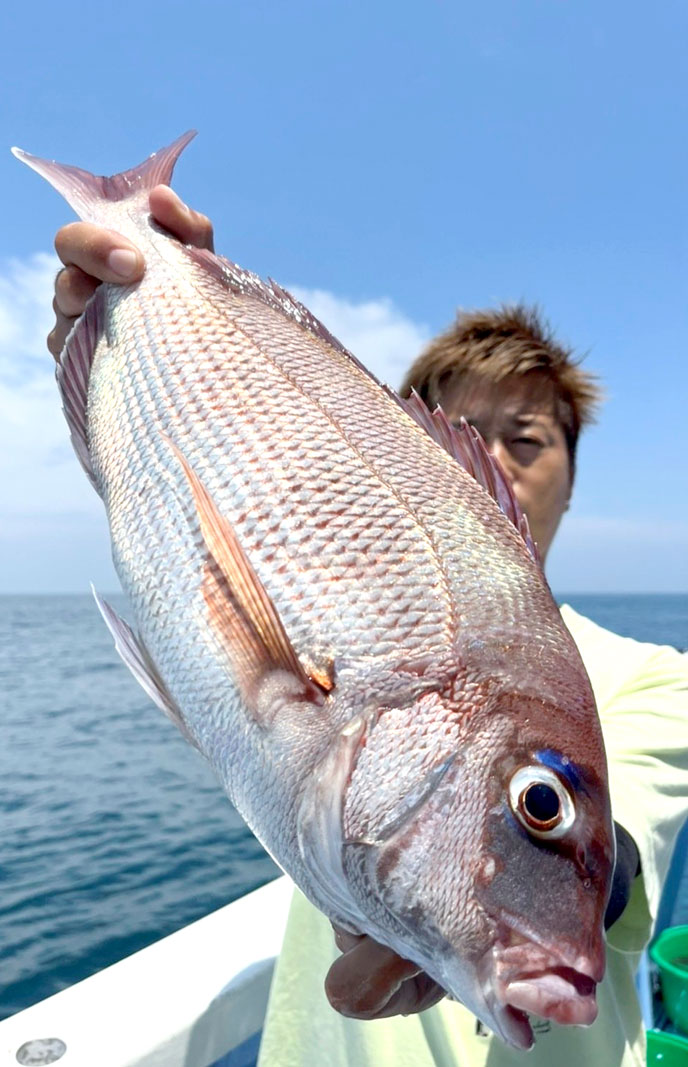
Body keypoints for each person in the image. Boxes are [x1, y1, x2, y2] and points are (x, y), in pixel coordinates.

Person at [49, 195, 688, 1066]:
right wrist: (150, 340)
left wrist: (516, 903)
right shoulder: (329, 568)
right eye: (462, 432)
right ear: (410, 442)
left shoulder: (658, 677)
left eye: (528, 439)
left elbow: (621, 864)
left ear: (573, 479)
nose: (497, 461)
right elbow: (187, 542)